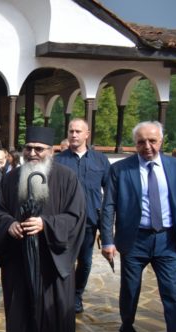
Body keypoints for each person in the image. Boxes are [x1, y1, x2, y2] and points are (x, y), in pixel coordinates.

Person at [0, 126, 86, 332]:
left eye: (39, 149)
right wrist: (9, 224)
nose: (33, 153)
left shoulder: (67, 178)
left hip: (51, 262)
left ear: (51, 151)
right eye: (28, 148)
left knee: (50, 316)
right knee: (19, 318)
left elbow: (76, 216)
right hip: (18, 261)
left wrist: (46, 224)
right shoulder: (11, 178)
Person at [100, 121, 176, 332]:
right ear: (135, 144)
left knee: (173, 297)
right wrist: (108, 240)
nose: (147, 146)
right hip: (134, 240)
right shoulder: (121, 169)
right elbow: (108, 206)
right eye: (141, 141)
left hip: (167, 241)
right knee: (130, 291)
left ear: (161, 141)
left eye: (152, 141)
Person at [56, 118, 110, 313]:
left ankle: (77, 295)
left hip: (89, 221)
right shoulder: (58, 160)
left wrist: (106, 226)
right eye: (71, 131)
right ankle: (63, 296)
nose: (74, 134)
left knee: (85, 261)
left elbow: (109, 193)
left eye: (78, 131)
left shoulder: (100, 160)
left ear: (87, 134)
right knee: (64, 260)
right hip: (65, 221)